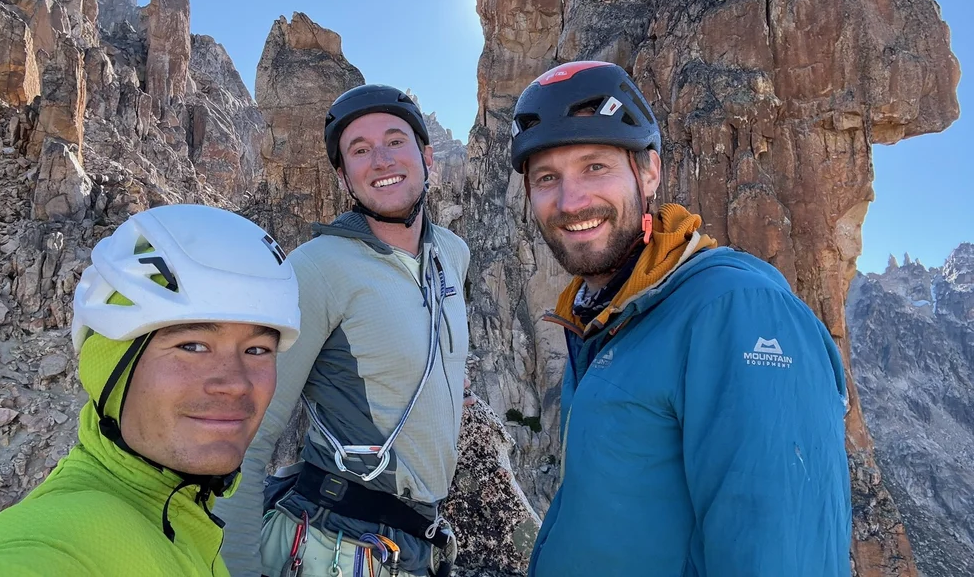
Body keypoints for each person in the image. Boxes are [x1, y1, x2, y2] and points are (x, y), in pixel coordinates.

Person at [511, 61, 852, 576]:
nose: (570, 200)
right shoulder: (613, 318)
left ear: (649, 172)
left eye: (595, 166)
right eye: (547, 178)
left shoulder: (736, 308)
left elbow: (780, 553)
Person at [216, 85, 470, 577]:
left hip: (422, 537)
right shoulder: (317, 267)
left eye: (395, 141)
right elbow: (249, 433)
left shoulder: (452, 254)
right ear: (343, 176)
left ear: (428, 155)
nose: (380, 159)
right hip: (339, 539)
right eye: (359, 150)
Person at [0, 204, 301, 576]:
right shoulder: (53, 540)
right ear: (110, 366)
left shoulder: (183, 524)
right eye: (192, 346)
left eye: (256, 350)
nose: (235, 383)